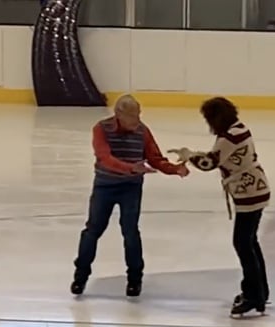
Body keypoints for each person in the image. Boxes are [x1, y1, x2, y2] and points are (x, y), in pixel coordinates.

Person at [71, 94, 189, 297]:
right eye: (132, 116)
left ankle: (135, 278)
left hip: (131, 189)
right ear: (118, 114)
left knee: (131, 232)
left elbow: (155, 158)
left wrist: (174, 169)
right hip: (104, 187)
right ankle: (80, 275)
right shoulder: (101, 129)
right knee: (93, 230)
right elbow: (104, 157)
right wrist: (131, 168)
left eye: (138, 115)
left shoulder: (142, 131)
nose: (137, 120)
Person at [168, 97, 270, 317]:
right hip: (256, 188)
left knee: (243, 243)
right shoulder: (239, 129)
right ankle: (260, 292)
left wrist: (188, 155)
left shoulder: (228, 138)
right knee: (250, 241)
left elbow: (210, 163)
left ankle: (253, 295)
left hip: (249, 192)